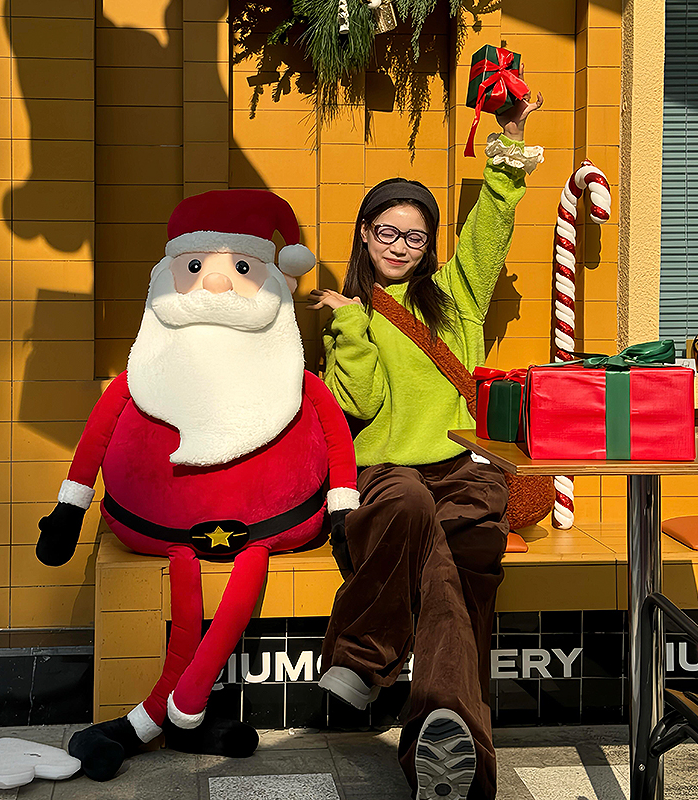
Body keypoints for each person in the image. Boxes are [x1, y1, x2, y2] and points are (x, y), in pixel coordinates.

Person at [309, 81, 544, 800]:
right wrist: (348, 325)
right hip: (384, 474)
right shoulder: (352, 314)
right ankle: (452, 735)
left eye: (414, 235)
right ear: (364, 234)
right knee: (416, 511)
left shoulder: (458, 295)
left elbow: (493, 218)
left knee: (466, 545)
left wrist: (506, 141)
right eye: (387, 232)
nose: (401, 247)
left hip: (462, 468)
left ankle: (362, 660)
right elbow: (361, 404)